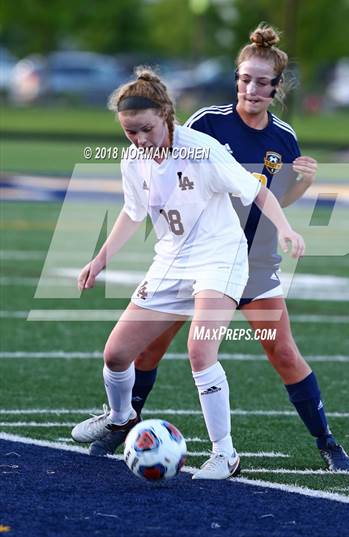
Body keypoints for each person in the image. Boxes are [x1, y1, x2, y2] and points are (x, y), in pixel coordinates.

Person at [88, 24, 349, 472]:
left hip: (252, 260)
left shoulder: (284, 138)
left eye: (262, 81)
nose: (252, 88)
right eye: (245, 78)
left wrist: (303, 185)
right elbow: (173, 187)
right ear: (236, 79)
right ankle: (122, 425)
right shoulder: (204, 125)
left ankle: (326, 441)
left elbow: (270, 199)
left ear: (276, 87)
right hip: (196, 257)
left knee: (282, 352)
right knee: (149, 348)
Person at [71, 66, 305, 480]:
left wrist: (286, 229)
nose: (140, 140)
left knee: (200, 351)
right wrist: (99, 258)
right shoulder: (133, 159)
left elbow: (259, 191)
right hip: (171, 259)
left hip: (220, 257)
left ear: (166, 114)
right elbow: (131, 212)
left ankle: (224, 454)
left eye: (146, 129)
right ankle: (121, 417)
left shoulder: (203, 149)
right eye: (130, 133)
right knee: (117, 354)